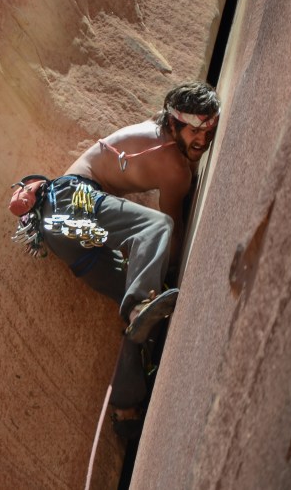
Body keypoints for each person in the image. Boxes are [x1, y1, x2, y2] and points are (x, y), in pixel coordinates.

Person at [39, 81, 220, 438]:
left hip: (70, 241)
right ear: (173, 122)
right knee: (157, 228)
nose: (202, 139)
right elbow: (170, 231)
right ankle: (138, 306)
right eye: (194, 129)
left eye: (209, 131)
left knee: (148, 309)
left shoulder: (159, 142)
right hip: (70, 201)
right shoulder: (174, 166)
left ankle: (126, 408)